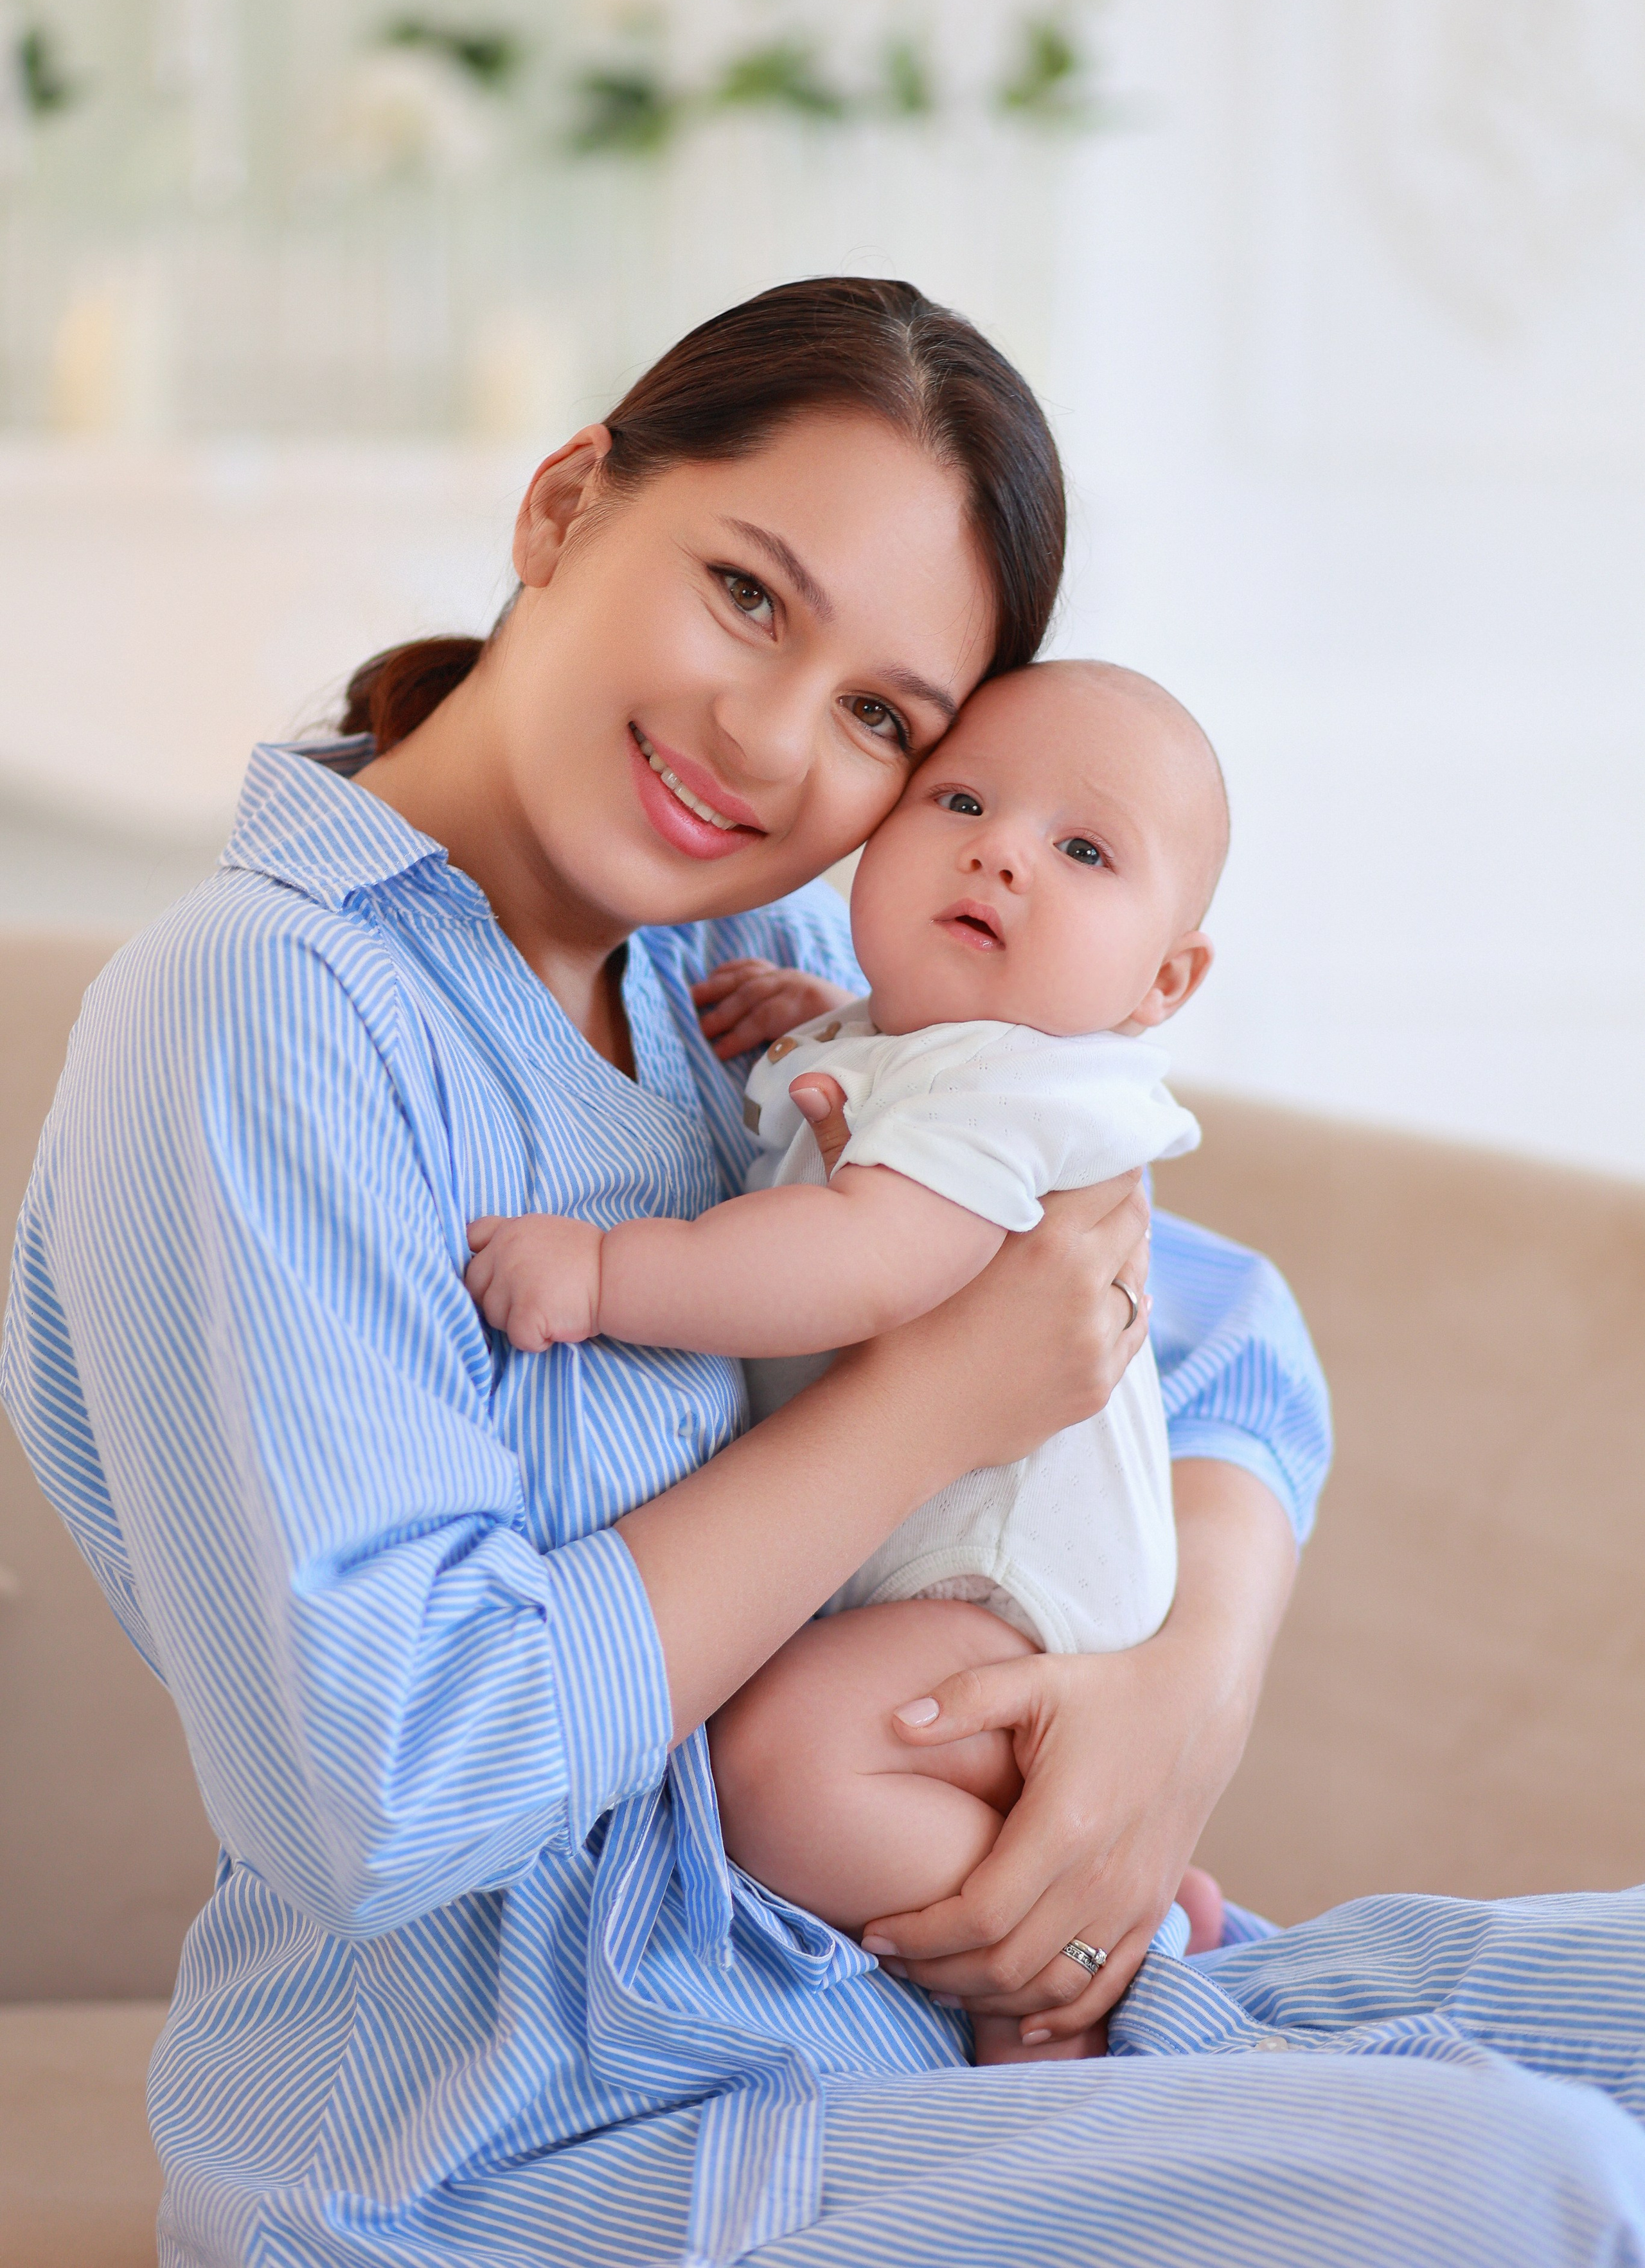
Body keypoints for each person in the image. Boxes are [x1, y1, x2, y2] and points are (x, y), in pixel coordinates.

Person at [1, 279, 1640, 2268]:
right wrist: (920, 1413)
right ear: (565, 504)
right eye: (748, 596)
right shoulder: (267, 1011)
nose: (768, 743)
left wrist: (1168, 1715)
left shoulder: (737, 958)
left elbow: (1207, 1338)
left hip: (942, 2006)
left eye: (883, 718)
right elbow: (396, 1778)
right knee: (1530, 2191)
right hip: (528, 2151)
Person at [462, 657, 1228, 2061]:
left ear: (1160, 981)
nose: (998, 848)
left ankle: (1071, 1978)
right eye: (960, 800)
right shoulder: (930, 1054)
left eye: (1079, 849)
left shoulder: (1012, 1093)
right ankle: (1086, 1883)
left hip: (996, 1589)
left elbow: (860, 1255)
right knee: (801, 1746)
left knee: (784, 1764)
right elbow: (896, 1094)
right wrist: (820, 1017)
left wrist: (609, 1271)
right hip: (956, 1578)